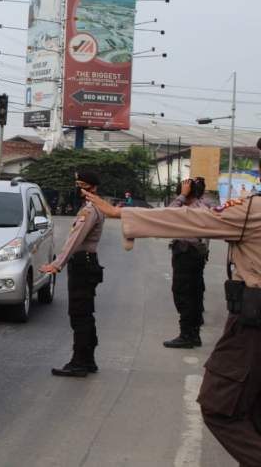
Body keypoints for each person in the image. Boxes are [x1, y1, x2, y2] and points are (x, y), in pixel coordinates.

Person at [83, 144, 261, 466]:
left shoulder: (253, 209)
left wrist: (123, 212)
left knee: (219, 406)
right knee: (251, 411)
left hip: (253, 327)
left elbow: (193, 220)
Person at [39, 170, 105, 378]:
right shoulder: (94, 207)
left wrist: (57, 264)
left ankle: (79, 363)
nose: (78, 188)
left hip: (83, 264)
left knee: (79, 314)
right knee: (85, 313)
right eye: (77, 184)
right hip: (86, 264)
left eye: (82, 185)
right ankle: (88, 360)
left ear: (93, 188)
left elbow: (75, 241)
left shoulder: (90, 210)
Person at [164, 177, 211, 349]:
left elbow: (166, 214)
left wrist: (181, 196)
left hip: (186, 254)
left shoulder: (190, 209)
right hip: (195, 254)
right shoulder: (202, 206)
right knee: (195, 295)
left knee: (183, 294)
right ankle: (194, 334)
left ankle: (186, 335)